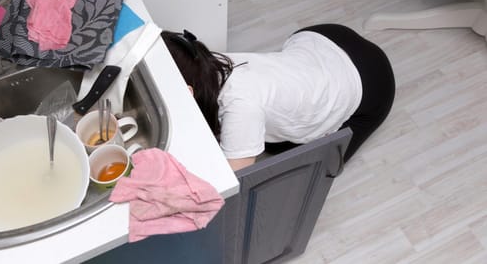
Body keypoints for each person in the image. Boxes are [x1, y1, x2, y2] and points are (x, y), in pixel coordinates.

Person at [161, 24, 395, 171]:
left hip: (373, 81)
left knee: (321, 167)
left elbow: (230, 181)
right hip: (324, 36)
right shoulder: (201, 62)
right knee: (272, 141)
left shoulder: (241, 106)